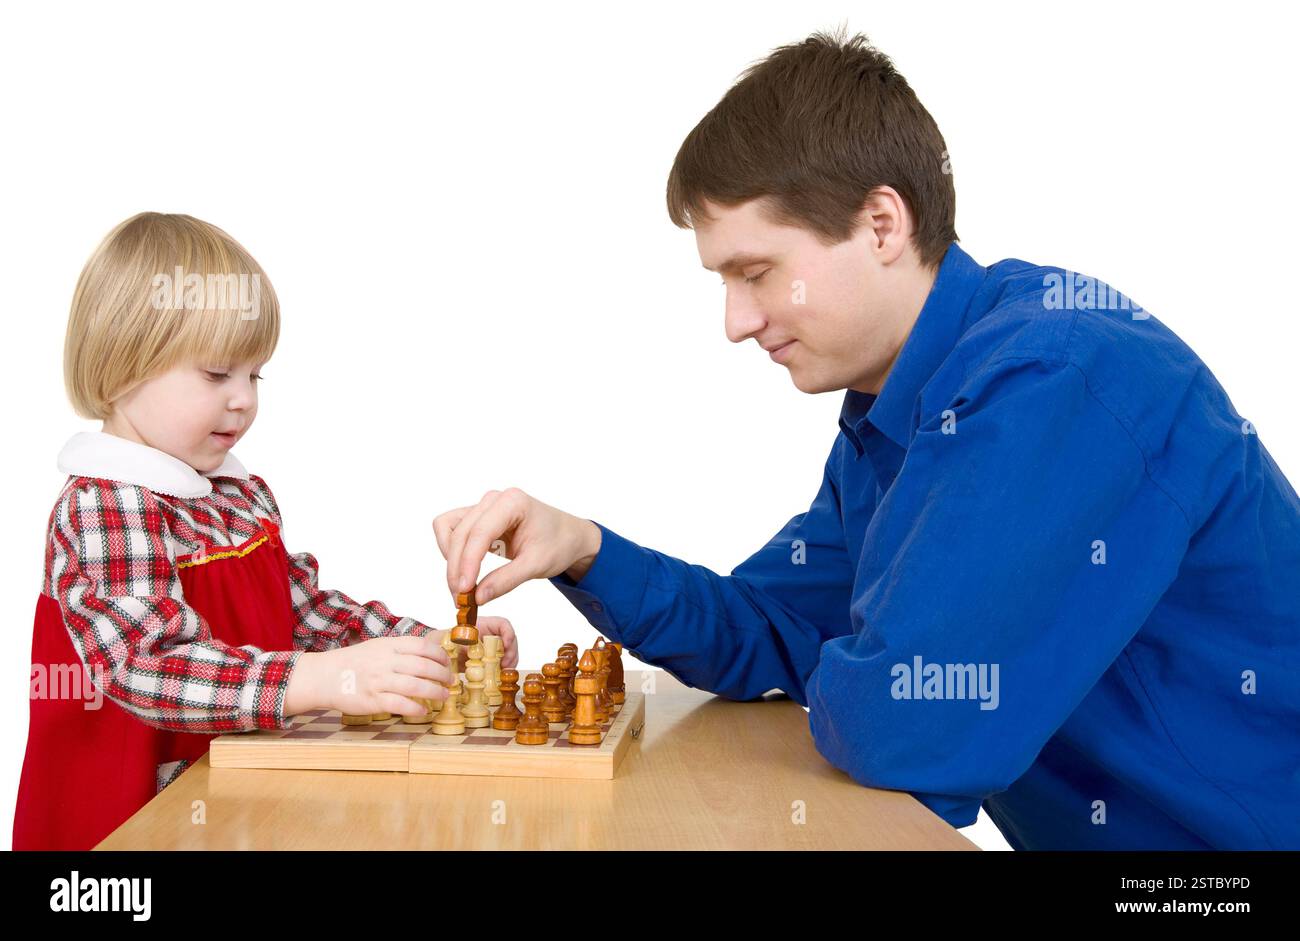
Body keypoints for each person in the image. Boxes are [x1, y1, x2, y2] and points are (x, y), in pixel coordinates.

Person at [432, 30, 1299, 850]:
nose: (736, 321)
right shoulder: (893, 417)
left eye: (756, 271)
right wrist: (582, 548)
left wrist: (861, 661)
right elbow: (768, 629)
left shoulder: (1052, 376)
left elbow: (909, 728)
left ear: (883, 224)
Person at [14, 212, 517, 850]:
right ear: (122, 367)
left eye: (255, 375)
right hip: (124, 827)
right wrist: (316, 681)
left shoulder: (235, 494)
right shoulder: (106, 504)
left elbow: (303, 613)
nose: (244, 399)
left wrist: (423, 648)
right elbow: (146, 663)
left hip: (230, 800)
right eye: (217, 374)